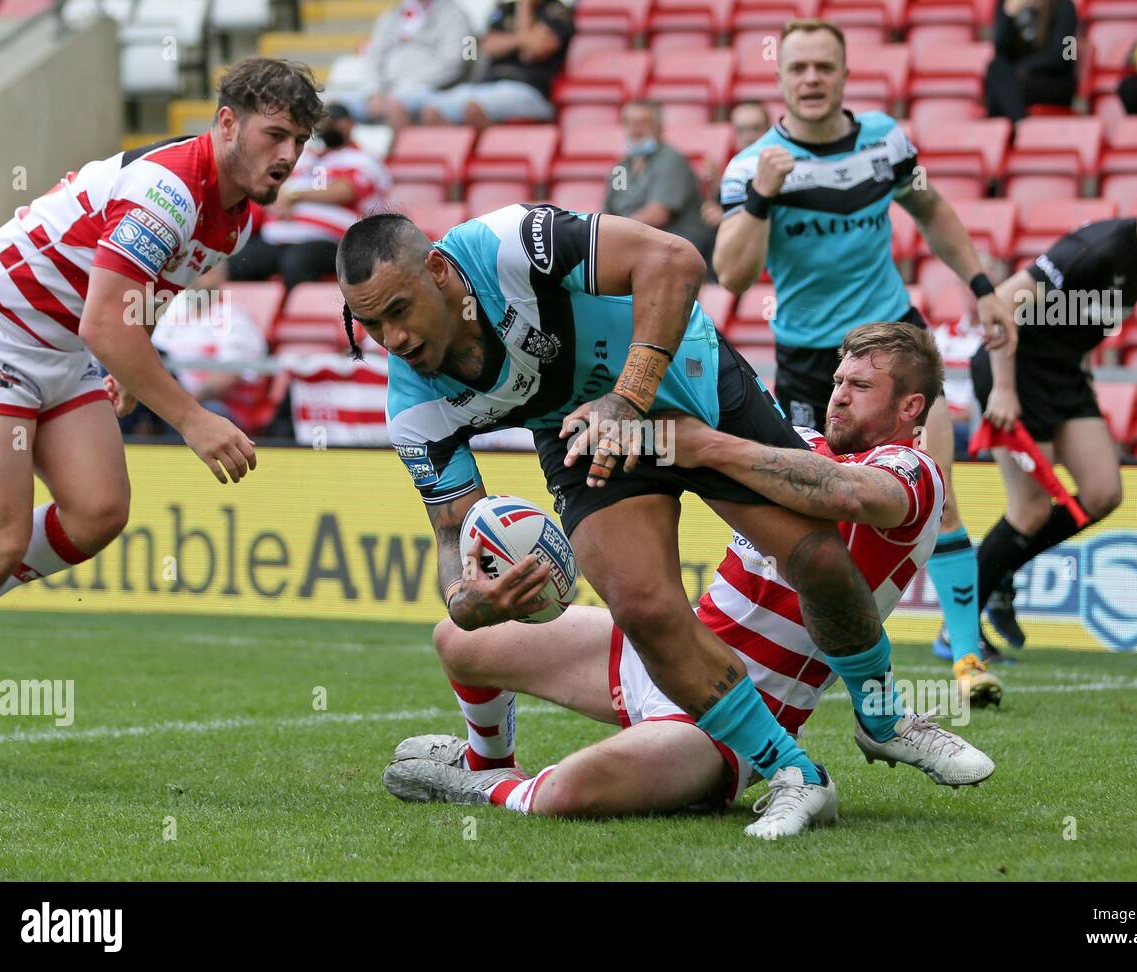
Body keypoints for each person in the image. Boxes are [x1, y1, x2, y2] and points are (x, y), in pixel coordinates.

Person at [336, 206, 888, 838]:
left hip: (681, 376)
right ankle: (797, 775)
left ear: (437, 269)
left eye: (399, 311)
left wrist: (628, 397)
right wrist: (469, 602)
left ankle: (885, 715)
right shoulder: (414, 405)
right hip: (582, 433)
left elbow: (675, 259)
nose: (393, 340)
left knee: (816, 557)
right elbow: (452, 534)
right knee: (642, 605)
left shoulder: (507, 245)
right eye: (372, 324)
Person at [384, 323, 995, 827]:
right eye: (838, 380)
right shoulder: (797, 442)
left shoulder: (916, 471)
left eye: (860, 386)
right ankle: (487, 761)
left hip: (737, 716)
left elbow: (849, 495)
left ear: (910, 406)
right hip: (672, 657)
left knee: (571, 792)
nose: (838, 394)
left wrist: (698, 445)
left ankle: (483, 790)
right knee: (460, 638)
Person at [0, 58, 324, 772]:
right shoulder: (166, 190)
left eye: (300, 142)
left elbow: (138, 301)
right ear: (227, 124)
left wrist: (134, 360)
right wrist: (191, 417)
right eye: (276, 134)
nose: (288, 156)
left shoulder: (237, 224)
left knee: (99, 511)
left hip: (67, 346)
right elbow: (108, 322)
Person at [713, 18, 1016, 704]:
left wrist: (981, 288)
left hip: (896, 346)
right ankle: (824, 674)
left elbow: (932, 210)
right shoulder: (753, 165)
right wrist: (763, 193)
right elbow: (731, 274)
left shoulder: (885, 140)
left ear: (845, 74)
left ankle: (967, 660)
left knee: (937, 492)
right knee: (813, 523)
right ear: (781, 78)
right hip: (809, 362)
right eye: (798, 69)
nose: (812, 79)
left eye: (824, 66)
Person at [972, 170, 1137, 652]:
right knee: (1032, 509)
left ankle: (1003, 572)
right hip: (1014, 372)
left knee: (1103, 493)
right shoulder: (1099, 247)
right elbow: (1001, 303)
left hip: (1063, 376)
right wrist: (1002, 388)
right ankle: (958, 626)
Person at [229, 104, 390, 290]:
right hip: (278, 237)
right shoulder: (304, 157)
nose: (329, 124)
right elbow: (268, 185)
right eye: (323, 121)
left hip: (331, 241)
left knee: (296, 262)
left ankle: (299, 316)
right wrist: (280, 196)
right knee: (237, 261)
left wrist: (294, 195)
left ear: (350, 124)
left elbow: (345, 190)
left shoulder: (363, 158)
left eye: (335, 119)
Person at [410, 0, 574, 129]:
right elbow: (487, 46)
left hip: (528, 88)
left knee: (472, 107)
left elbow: (530, 53)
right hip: (490, 84)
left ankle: (487, 155)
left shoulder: (557, 10)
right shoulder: (503, 9)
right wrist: (523, 38)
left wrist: (525, 7)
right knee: (432, 109)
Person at [152, 271, 273, 436]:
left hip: (219, 408)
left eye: (209, 268)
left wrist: (176, 404)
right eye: (196, 268)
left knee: (206, 413)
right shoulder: (171, 315)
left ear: (222, 275)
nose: (201, 274)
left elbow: (225, 378)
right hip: (171, 400)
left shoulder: (235, 319)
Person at [603, 101, 710, 258]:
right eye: (629, 123)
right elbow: (609, 210)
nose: (635, 129)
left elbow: (658, 215)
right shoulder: (622, 166)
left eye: (643, 122)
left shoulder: (671, 160)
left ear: (659, 127)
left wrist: (616, 231)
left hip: (672, 243)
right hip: (632, 239)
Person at [341, 0, 474, 125]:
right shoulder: (393, 14)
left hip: (429, 90)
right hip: (385, 91)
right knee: (331, 104)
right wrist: (374, 93)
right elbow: (374, 57)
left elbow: (454, 64)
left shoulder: (456, 16)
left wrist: (404, 88)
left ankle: (398, 149)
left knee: (396, 104)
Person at [984, 0, 1080, 123]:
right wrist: (1008, 15)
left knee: (998, 93)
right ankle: (1019, 123)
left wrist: (1024, 68)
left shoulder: (1065, 6)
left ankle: (1016, 126)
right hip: (1018, 81)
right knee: (995, 68)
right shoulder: (1009, 6)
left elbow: (1066, 56)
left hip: (1054, 82)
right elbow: (1000, 51)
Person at [700, 102, 773, 230]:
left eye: (756, 128)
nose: (748, 137)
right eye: (740, 130)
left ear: (769, 130)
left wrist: (726, 219)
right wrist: (715, 186)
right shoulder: (733, 167)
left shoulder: (780, 168)